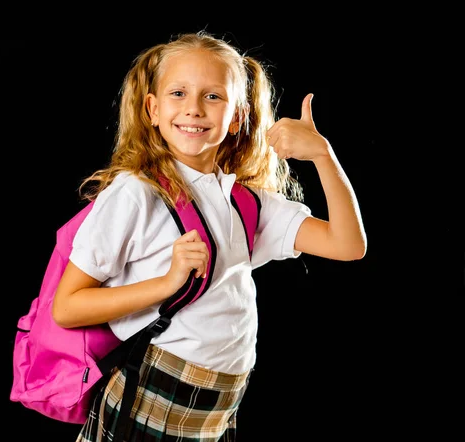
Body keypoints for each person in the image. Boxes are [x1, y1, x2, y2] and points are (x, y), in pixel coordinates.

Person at [51, 30, 367, 441]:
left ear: (236, 116)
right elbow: (68, 307)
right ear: (153, 109)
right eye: (178, 93)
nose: (194, 109)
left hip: (218, 405)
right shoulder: (135, 193)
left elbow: (348, 245)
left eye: (213, 96)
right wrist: (167, 283)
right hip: (150, 394)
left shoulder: (245, 204)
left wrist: (323, 155)